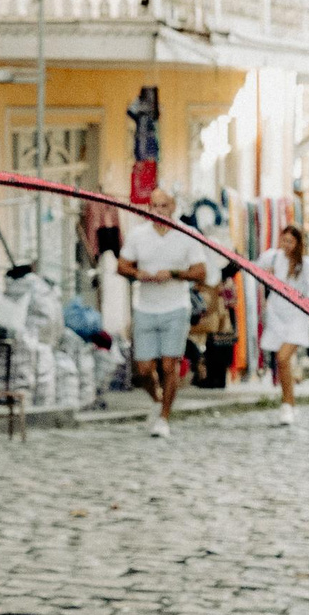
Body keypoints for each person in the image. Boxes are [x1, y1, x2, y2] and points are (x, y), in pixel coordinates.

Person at [117, 185, 208, 436]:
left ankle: (164, 418)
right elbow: (122, 265)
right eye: (154, 206)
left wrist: (175, 273)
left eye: (163, 206)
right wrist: (138, 273)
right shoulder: (139, 235)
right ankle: (158, 401)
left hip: (175, 306)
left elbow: (201, 272)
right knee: (143, 369)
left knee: (169, 365)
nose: (158, 210)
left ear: (173, 208)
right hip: (145, 306)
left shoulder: (187, 234)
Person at [257, 223, 309, 426]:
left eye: (291, 241)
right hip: (276, 313)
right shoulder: (272, 257)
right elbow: (254, 270)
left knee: (283, 358)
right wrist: (267, 273)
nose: (286, 245)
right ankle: (288, 402)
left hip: (297, 316)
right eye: (284, 240)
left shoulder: (306, 264)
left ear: (298, 243)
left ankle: (288, 405)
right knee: (281, 360)